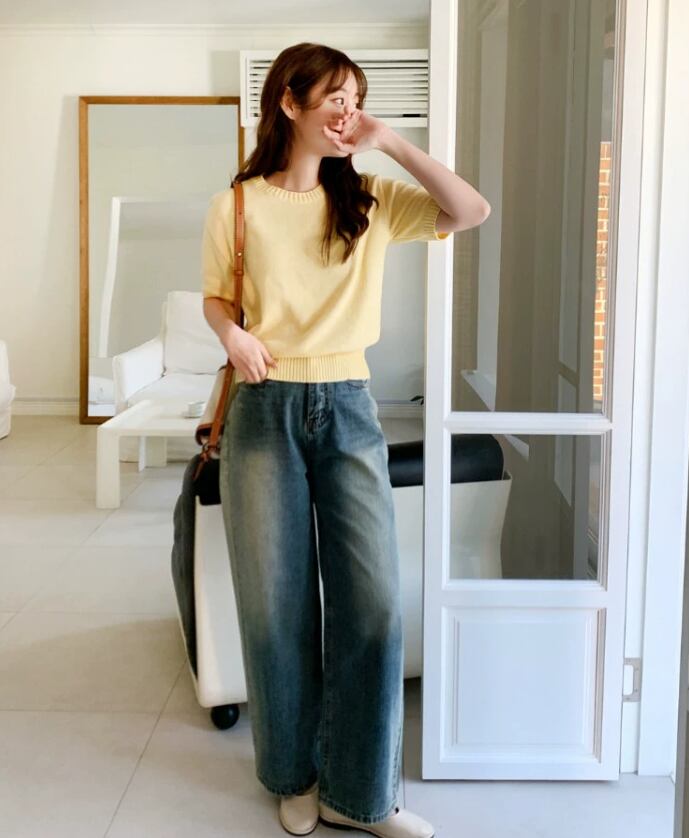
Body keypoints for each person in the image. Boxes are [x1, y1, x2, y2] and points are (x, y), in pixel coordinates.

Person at [201, 42, 490, 838]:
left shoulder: (371, 197)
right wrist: (231, 336)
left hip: (349, 406)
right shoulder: (236, 206)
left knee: (372, 607)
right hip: (263, 411)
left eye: (354, 99)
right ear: (287, 103)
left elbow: (470, 211)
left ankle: (361, 795)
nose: (345, 112)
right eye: (332, 97)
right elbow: (218, 298)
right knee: (275, 609)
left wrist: (389, 140)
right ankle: (292, 777)